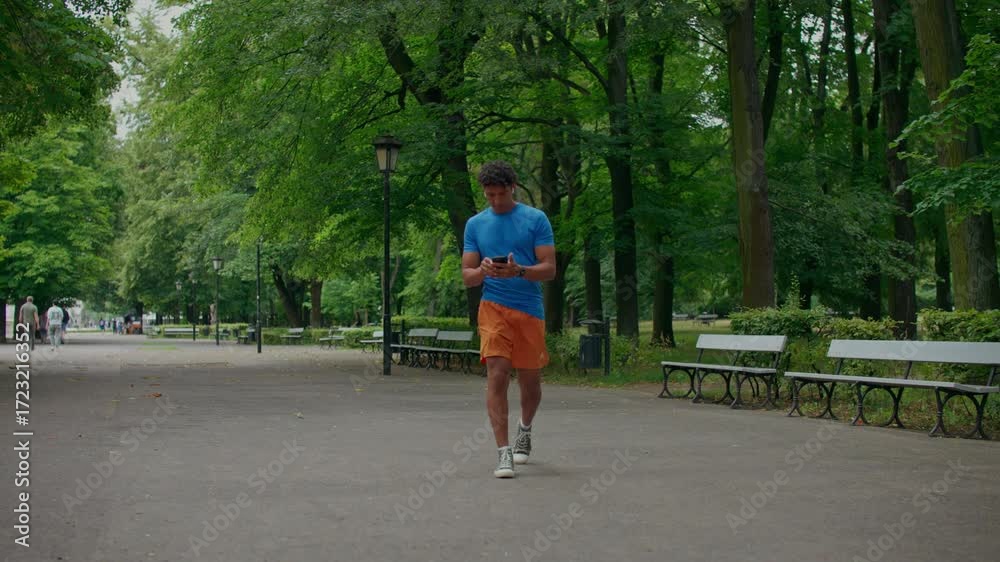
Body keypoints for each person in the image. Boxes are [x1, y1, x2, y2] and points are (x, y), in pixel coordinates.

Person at [461, 160, 556, 478]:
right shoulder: (475, 224)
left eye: (501, 194)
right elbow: (467, 276)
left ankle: (524, 429)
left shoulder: (535, 219)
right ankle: (503, 453)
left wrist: (519, 271)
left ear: (512, 188)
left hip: (528, 309)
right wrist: (482, 270)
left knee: (530, 383)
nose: (496, 200)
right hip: (493, 308)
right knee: (497, 374)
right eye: (490, 195)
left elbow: (550, 269)